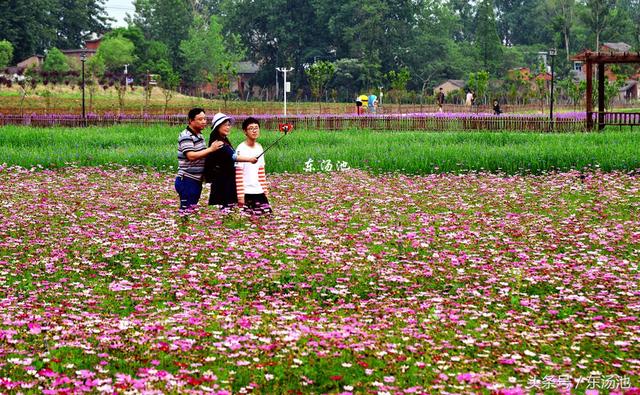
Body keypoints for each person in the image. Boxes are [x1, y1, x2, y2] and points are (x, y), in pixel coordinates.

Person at [203, 113, 257, 210]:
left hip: (227, 178)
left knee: (227, 208)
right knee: (226, 207)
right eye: (225, 125)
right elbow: (233, 156)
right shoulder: (218, 143)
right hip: (223, 180)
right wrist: (250, 159)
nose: (228, 127)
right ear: (217, 127)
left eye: (228, 125)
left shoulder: (224, 140)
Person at [175, 108, 224, 214]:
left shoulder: (199, 136)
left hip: (195, 180)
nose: (204, 122)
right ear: (191, 121)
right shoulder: (186, 136)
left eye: (205, 119)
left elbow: (203, 155)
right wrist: (211, 149)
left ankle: (185, 228)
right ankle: (182, 228)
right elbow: (191, 156)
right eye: (200, 119)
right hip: (187, 179)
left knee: (190, 210)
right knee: (186, 211)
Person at [235, 117, 272, 215]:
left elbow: (261, 172)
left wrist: (265, 191)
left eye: (256, 128)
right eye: (251, 128)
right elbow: (238, 174)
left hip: (258, 190)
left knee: (267, 218)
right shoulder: (241, 149)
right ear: (245, 131)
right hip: (247, 192)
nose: (254, 131)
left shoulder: (259, 147)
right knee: (250, 222)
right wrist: (240, 196)